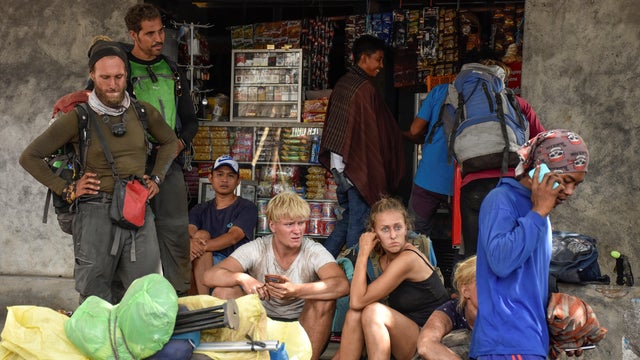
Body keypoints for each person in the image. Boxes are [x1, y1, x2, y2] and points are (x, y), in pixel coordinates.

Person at [19, 41, 179, 304]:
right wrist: (68, 189)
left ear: (126, 75)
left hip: (136, 208)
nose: (113, 84)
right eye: (105, 77)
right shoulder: (78, 117)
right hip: (94, 211)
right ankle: (98, 344)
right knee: (95, 297)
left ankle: (134, 345)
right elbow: (30, 157)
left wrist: (158, 178)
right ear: (92, 76)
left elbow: (170, 141)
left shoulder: (141, 112)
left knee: (146, 294)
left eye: (118, 77)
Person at [470, 129, 590, 359]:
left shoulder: (540, 213)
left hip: (530, 342)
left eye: (577, 184)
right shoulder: (501, 200)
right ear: (540, 169)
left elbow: (526, 282)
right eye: (566, 181)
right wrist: (538, 212)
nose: (570, 191)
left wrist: (560, 319)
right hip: (505, 345)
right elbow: (501, 262)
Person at [203, 191, 349, 360]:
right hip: (261, 325)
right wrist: (243, 278)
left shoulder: (313, 250)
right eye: (289, 225)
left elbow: (342, 285)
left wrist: (296, 290)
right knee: (224, 291)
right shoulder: (258, 248)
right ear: (272, 226)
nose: (297, 231)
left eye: (301, 223)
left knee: (324, 298)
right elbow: (210, 276)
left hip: (303, 327)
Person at [124, 3, 199, 296]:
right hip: (131, 170)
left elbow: (191, 121)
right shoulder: (121, 70)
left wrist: (178, 145)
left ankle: (177, 302)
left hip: (170, 168)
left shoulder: (171, 69)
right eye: (150, 33)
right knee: (130, 239)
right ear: (134, 34)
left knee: (176, 236)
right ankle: (133, 303)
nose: (159, 38)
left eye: (161, 31)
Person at [319, 34, 406, 258]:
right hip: (355, 169)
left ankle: (320, 263)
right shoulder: (363, 88)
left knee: (349, 218)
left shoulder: (345, 83)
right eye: (378, 59)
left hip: (341, 167)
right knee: (359, 224)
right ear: (364, 58)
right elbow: (368, 138)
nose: (380, 66)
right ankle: (350, 274)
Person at [333, 197, 449, 360]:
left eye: (398, 227)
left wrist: (363, 252)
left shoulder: (408, 259)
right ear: (374, 233)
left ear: (406, 228)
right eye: (385, 229)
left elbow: (357, 300)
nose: (393, 235)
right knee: (354, 315)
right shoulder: (382, 260)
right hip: (405, 334)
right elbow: (356, 305)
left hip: (430, 340)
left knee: (373, 312)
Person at [458, 59, 546, 259]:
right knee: (513, 253)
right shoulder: (518, 103)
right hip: (512, 184)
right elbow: (543, 143)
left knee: (474, 258)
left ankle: (475, 290)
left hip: (473, 186)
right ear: (502, 79)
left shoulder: (463, 104)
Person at [188, 155, 258, 295]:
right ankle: (204, 302)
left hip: (231, 265)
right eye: (219, 174)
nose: (224, 180)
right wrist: (191, 243)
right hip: (201, 265)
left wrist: (201, 246)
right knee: (198, 237)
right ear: (210, 178)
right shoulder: (200, 208)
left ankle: (204, 303)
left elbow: (233, 236)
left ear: (238, 181)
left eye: (230, 176)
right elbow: (189, 230)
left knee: (200, 241)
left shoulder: (247, 207)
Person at [403, 83, 454, 237]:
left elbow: (415, 130)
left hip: (429, 177)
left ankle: (417, 260)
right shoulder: (487, 95)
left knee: (415, 231)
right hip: (461, 179)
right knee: (461, 237)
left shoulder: (441, 91)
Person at [417, 255, 477, 360]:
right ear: (465, 291)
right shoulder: (452, 310)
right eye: (484, 283)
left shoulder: (506, 312)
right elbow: (425, 345)